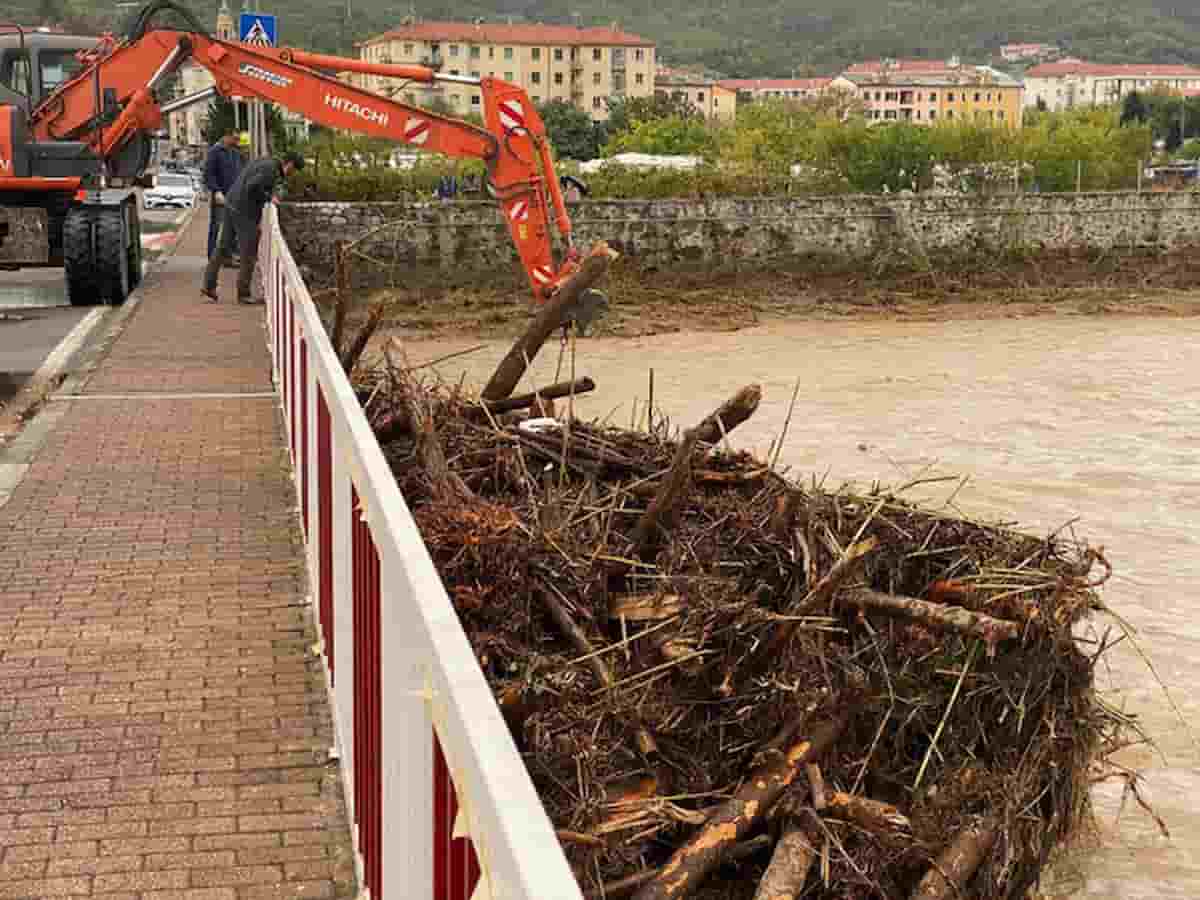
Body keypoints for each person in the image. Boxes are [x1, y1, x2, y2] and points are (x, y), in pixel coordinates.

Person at [201, 151, 305, 305]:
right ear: (289, 164)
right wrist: (270, 198)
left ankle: (208, 286)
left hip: (231, 203)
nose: (291, 174)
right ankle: (244, 294)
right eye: (293, 170)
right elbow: (252, 187)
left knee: (222, 247)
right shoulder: (271, 170)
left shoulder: (264, 161)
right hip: (244, 211)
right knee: (249, 252)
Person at [202, 128, 243, 259]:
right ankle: (212, 256)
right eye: (235, 139)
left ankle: (228, 256)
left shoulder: (235, 152)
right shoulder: (215, 152)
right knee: (216, 226)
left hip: (233, 197)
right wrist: (216, 191)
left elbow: (239, 174)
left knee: (231, 228)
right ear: (226, 136)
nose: (237, 141)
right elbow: (208, 174)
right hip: (220, 197)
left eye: (238, 139)